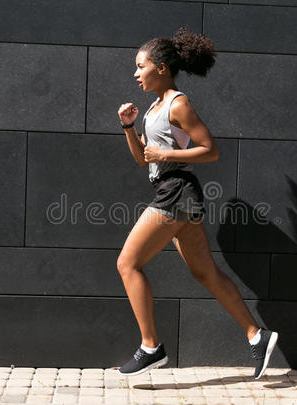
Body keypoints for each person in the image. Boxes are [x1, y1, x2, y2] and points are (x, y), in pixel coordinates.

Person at [116, 26, 279, 380]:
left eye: (141, 66)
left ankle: (150, 347)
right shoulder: (153, 109)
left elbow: (211, 150)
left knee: (128, 263)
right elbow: (144, 160)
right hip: (173, 190)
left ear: (161, 67)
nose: (136, 73)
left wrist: (166, 151)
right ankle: (257, 335)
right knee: (204, 272)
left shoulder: (179, 103)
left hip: (176, 190)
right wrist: (129, 127)